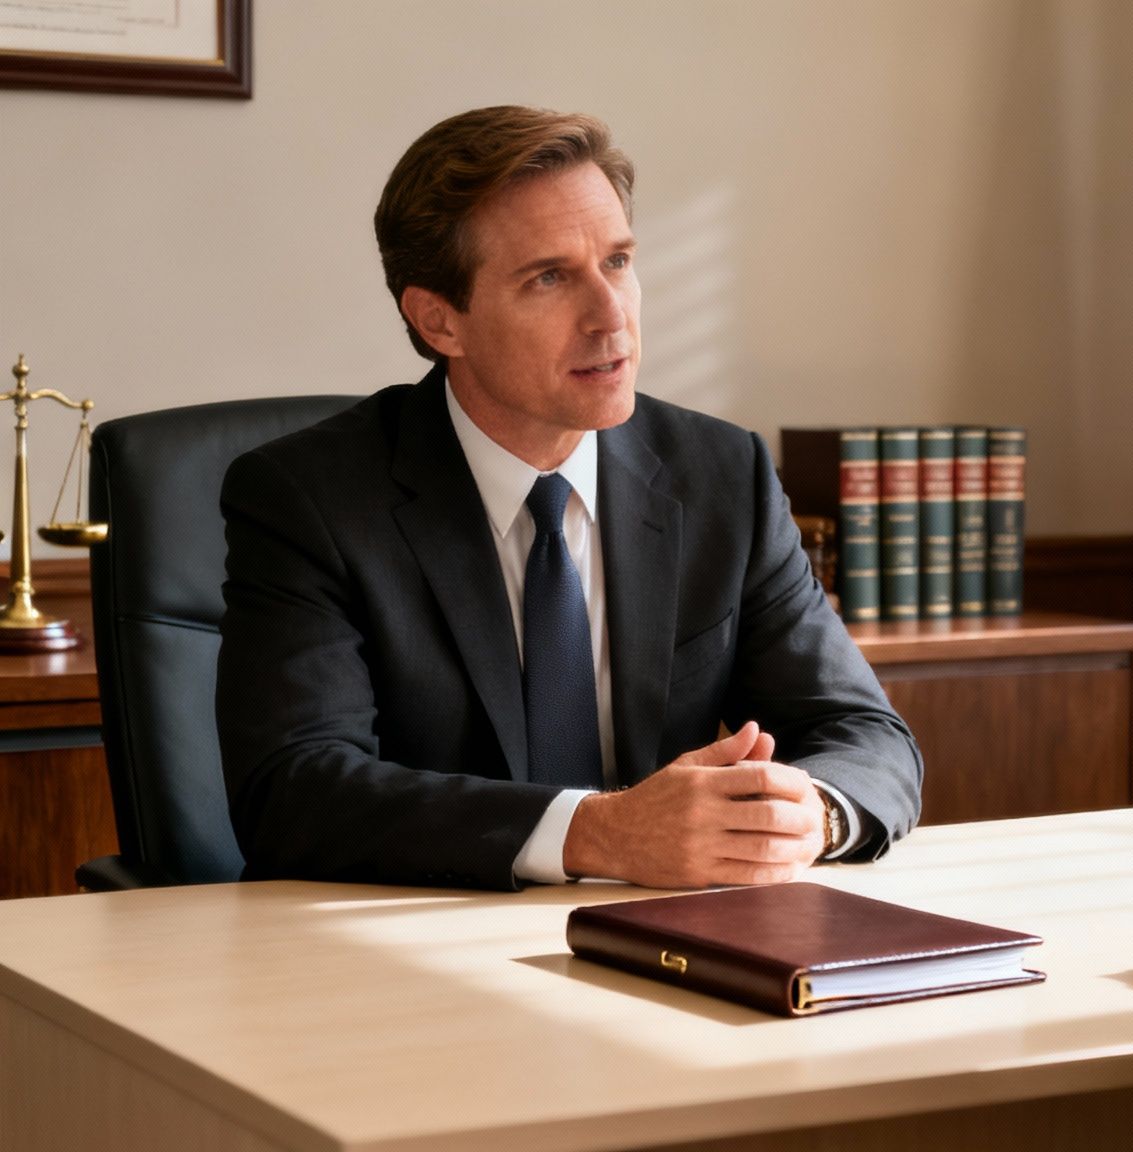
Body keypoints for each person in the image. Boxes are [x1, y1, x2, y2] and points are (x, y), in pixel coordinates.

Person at [217, 106, 922, 891]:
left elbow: (865, 735)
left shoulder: (722, 474)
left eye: (618, 262)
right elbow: (296, 791)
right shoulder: (309, 498)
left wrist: (804, 814)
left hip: (667, 939)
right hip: (412, 942)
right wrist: (597, 834)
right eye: (549, 278)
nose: (610, 315)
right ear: (439, 319)